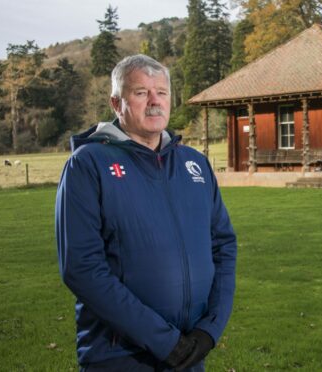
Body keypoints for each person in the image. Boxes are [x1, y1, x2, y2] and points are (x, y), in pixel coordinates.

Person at [55, 54, 237, 371]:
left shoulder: (194, 163)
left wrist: (209, 331)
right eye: (141, 92)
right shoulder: (88, 165)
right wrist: (165, 342)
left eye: (162, 92)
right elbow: (81, 268)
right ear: (116, 103)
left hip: (191, 352)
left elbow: (223, 246)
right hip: (121, 356)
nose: (154, 102)